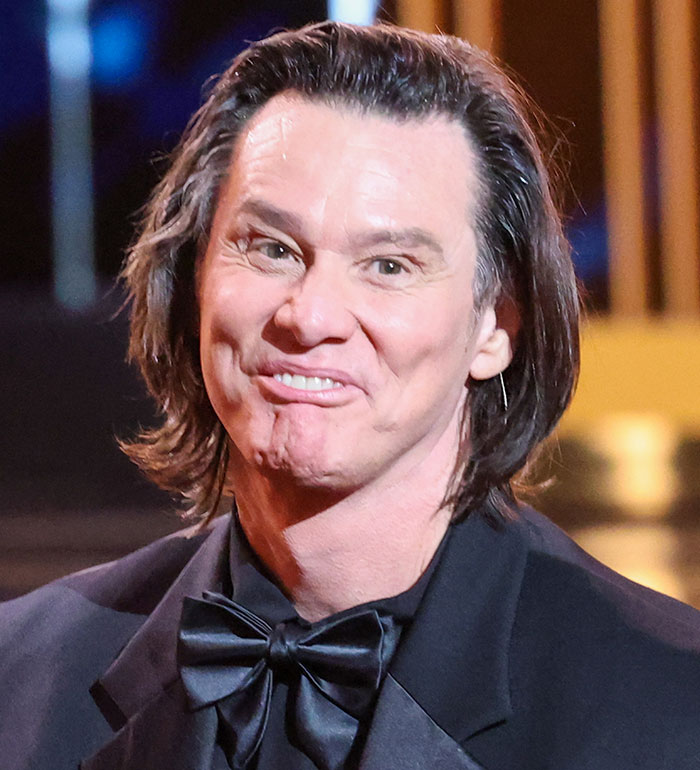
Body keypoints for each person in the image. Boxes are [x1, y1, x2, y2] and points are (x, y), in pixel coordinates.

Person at [2, 20, 700, 770]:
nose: (309, 316)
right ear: (194, 278)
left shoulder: (669, 707)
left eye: (389, 265)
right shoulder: (21, 677)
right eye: (271, 248)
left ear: (495, 326)